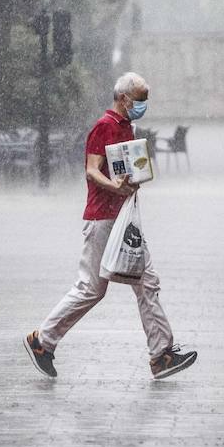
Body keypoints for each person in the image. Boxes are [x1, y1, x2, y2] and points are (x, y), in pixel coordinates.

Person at [24, 72, 198, 380]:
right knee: (93, 287)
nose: (143, 105)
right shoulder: (104, 127)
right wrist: (115, 187)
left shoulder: (127, 128)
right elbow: (92, 171)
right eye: (140, 99)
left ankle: (161, 354)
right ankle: (42, 340)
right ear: (124, 98)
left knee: (144, 282)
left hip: (122, 217)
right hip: (103, 217)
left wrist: (133, 181)